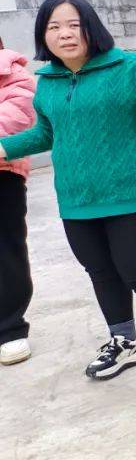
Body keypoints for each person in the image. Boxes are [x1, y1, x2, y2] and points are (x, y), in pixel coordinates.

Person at [0, 0, 136, 386]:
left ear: (92, 28)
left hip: (131, 194)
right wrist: (4, 148)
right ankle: (125, 340)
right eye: (54, 27)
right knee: (101, 271)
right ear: (43, 35)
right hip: (76, 198)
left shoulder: (126, 67)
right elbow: (46, 134)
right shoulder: (48, 82)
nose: (65, 34)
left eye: (74, 25)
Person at [0, 36, 35, 366]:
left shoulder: (13, 74)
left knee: (6, 252)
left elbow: (14, 120)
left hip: (2, 173)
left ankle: (10, 329)